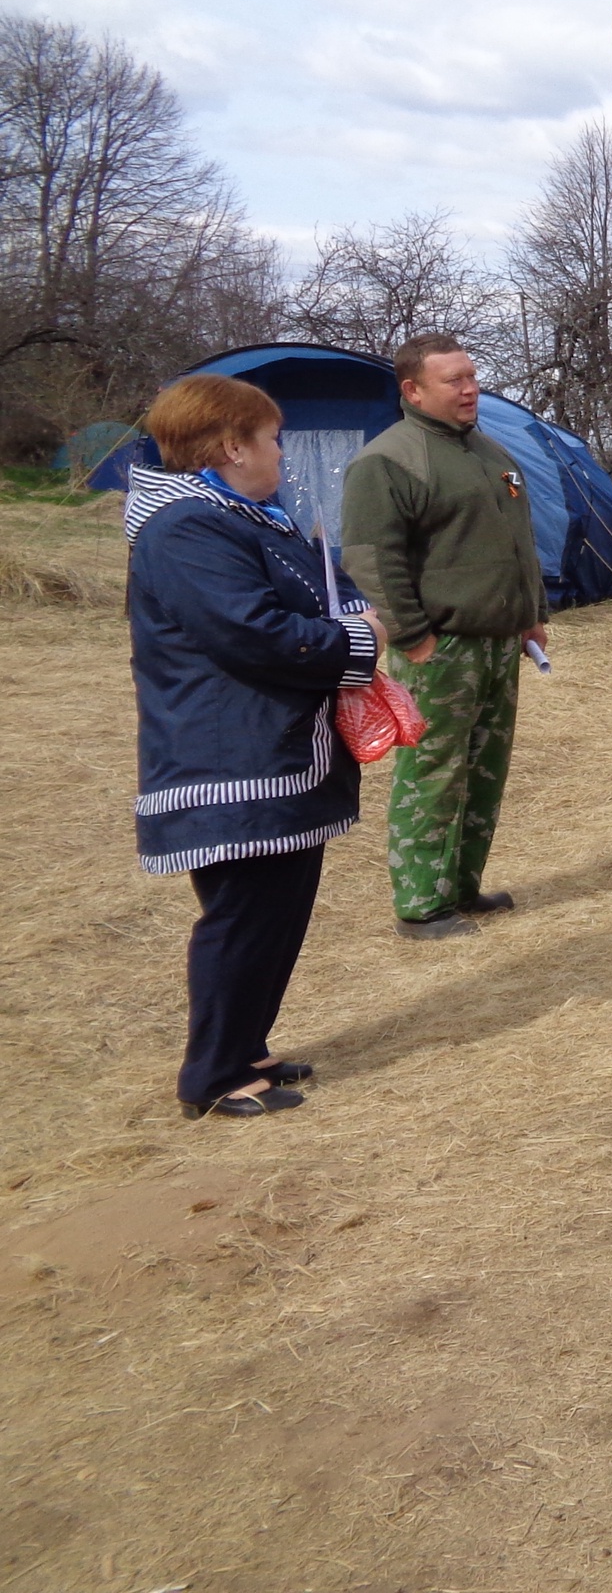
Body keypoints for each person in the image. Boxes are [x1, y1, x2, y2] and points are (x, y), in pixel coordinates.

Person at [124, 375, 383, 1116]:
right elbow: (255, 635)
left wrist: (353, 618)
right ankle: (211, 1078)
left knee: (276, 913)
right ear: (233, 446)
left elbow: (326, 590)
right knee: (243, 917)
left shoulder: (250, 519)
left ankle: (247, 1046)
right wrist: (359, 638)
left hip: (279, 751)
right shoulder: (188, 529)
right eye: (273, 439)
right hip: (231, 758)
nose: (282, 455)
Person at [339, 333, 549, 939]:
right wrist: (414, 639)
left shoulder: (489, 452)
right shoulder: (389, 460)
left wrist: (530, 613)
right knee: (432, 772)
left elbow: (519, 541)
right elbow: (372, 558)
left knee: (484, 769)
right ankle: (421, 905)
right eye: (453, 380)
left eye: (471, 376)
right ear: (413, 390)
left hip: (499, 641)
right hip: (443, 646)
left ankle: (462, 886)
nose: (469, 388)